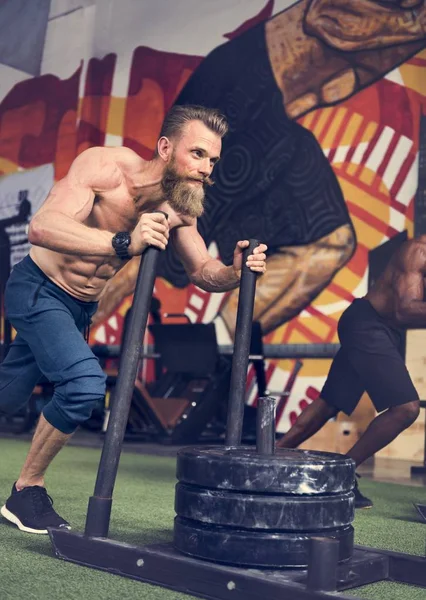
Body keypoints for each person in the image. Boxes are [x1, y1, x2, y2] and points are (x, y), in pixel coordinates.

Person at [0, 104, 267, 534]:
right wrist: (125, 240)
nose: (206, 169)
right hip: (38, 287)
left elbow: (202, 271)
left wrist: (235, 273)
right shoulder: (105, 168)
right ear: (165, 147)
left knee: (8, 397)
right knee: (84, 383)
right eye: (197, 154)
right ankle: (27, 490)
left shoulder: (179, 207)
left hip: (80, 306)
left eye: (213, 160)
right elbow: (42, 227)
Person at [277, 236, 424, 508]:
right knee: (406, 409)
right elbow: (404, 309)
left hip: (381, 329)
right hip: (367, 323)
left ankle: (267, 460)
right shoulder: (419, 252)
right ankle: (343, 475)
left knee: (329, 403)